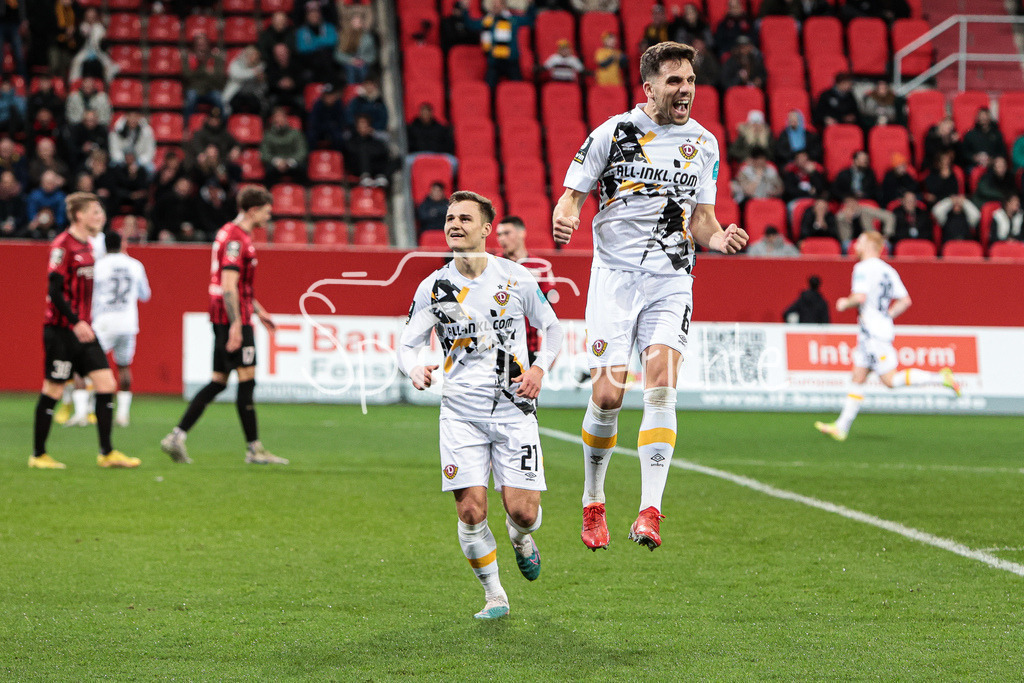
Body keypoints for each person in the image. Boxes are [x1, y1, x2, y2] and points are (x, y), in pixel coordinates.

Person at [553, 42, 748, 551]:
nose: (685, 90)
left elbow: (702, 219)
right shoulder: (614, 133)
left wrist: (719, 237)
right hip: (614, 280)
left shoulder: (704, 144)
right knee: (609, 395)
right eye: (674, 82)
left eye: (690, 81)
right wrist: (566, 214)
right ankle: (593, 500)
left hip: (671, 278)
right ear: (649, 87)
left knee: (661, 383)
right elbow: (572, 193)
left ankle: (650, 510)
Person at [398, 190, 563, 620]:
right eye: (450, 218)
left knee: (523, 513)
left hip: (514, 410)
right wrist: (414, 368)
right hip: (460, 413)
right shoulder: (433, 286)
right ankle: (494, 596)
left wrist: (540, 370)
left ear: (487, 229)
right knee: (470, 510)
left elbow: (553, 329)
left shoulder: (517, 278)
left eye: (464, 218)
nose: (454, 224)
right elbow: (407, 343)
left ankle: (521, 538)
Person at [161, 186, 287, 466]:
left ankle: (176, 437)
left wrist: (259, 310)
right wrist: (236, 325)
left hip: (232, 315)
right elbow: (228, 285)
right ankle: (254, 449)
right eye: (267, 211)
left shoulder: (230, 233)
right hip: (232, 319)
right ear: (254, 210)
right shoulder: (236, 239)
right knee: (247, 379)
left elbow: (238, 286)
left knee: (218, 381)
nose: (269, 216)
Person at [815, 231, 962, 442]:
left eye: (861, 241)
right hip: (874, 332)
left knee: (890, 381)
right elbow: (905, 300)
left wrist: (844, 303)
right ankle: (841, 427)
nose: (856, 244)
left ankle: (941, 378)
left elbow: (860, 296)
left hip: (874, 335)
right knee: (858, 376)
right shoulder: (888, 270)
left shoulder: (863, 268)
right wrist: (886, 316)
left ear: (870, 246)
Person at [30, 192, 140, 469]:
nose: (101, 217)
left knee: (106, 384)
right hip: (61, 331)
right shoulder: (62, 245)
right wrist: (76, 321)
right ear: (79, 216)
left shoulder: (90, 247)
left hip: (83, 331)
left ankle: (107, 453)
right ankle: (38, 455)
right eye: (95, 212)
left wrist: (85, 322)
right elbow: (54, 290)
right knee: (53, 389)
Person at [91, 231, 150, 427]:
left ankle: (85, 410)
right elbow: (145, 295)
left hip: (104, 322)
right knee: (124, 367)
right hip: (128, 322)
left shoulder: (98, 266)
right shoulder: (135, 265)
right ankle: (123, 414)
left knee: (89, 365)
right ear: (123, 243)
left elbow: (91, 294)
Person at [495, 215, 557, 366]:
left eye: (506, 233)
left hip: (529, 346)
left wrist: (550, 350)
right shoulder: (493, 266)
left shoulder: (540, 267)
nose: (501, 239)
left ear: (522, 233)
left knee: (525, 389)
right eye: (499, 235)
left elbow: (548, 309)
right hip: (497, 346)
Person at [462, 0, 536, 88]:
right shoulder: (488, 20)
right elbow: (471, 25)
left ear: (504, 6)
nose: (495, 7)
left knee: (517, 87)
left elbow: (530, 20)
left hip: (511, 60)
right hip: (495, 61)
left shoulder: (513, 19)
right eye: (494, 6)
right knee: (489, 88)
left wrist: (531, 5)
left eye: (498, 5)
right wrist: (465, 10)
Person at [182, 34, 227, 121]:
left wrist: (197, 72)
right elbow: (187, 76)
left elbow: (219, 78)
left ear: (208, 45)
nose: (201, 47)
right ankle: (187, 126)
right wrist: (205, 70)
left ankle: (222, 127)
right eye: (198, 45)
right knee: (191, 98)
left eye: (203, 44)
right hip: (194, 89)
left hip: (211, 89)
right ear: (194, 46)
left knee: (219, 100)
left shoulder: (216, 59)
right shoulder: (189, 59)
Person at [260, 106, 308, 186]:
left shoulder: (296, 133)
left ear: (286, 119)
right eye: (277, 117)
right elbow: (264, 153)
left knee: (303, 169)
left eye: (281, 117)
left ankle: (301, 195)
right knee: (268, 172)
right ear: (273, 119)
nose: (279, 120)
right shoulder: (267, 135)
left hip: (293, 164)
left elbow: (302, 151)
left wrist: (289, 162)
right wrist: (277, 162)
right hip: (275, 165)